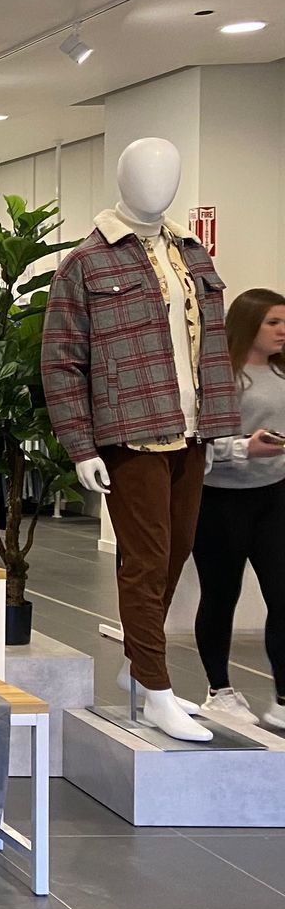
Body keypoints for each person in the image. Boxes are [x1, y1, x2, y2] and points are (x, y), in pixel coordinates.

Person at [191, 287, 285, 728]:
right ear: (249, 325)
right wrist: (247, 448)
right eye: (273, 322)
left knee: (281, 596)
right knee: (221, 594)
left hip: (275, 495)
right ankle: (219, 689)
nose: (282, 331)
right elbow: (202, 441)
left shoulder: (283, 374)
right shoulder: (220, 377)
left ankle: (282, 697)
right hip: (220, 498)